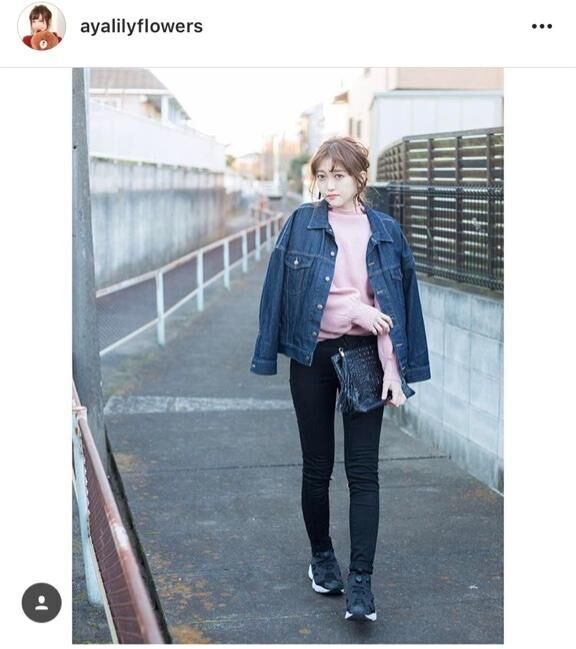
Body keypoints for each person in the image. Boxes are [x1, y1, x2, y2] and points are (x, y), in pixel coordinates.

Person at [250, 136, 431, 622]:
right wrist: (352, 309)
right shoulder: (302, 223)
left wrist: (394, 371)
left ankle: (361, 583)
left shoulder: (386, 230)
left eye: (339, 175)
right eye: (322, 176)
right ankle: (323, 558)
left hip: (366, 356)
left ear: (360, 178)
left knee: (364, 472)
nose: (328, 185)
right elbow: (288, 293)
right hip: (313, 355)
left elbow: (396, 307)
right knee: (317, 466)